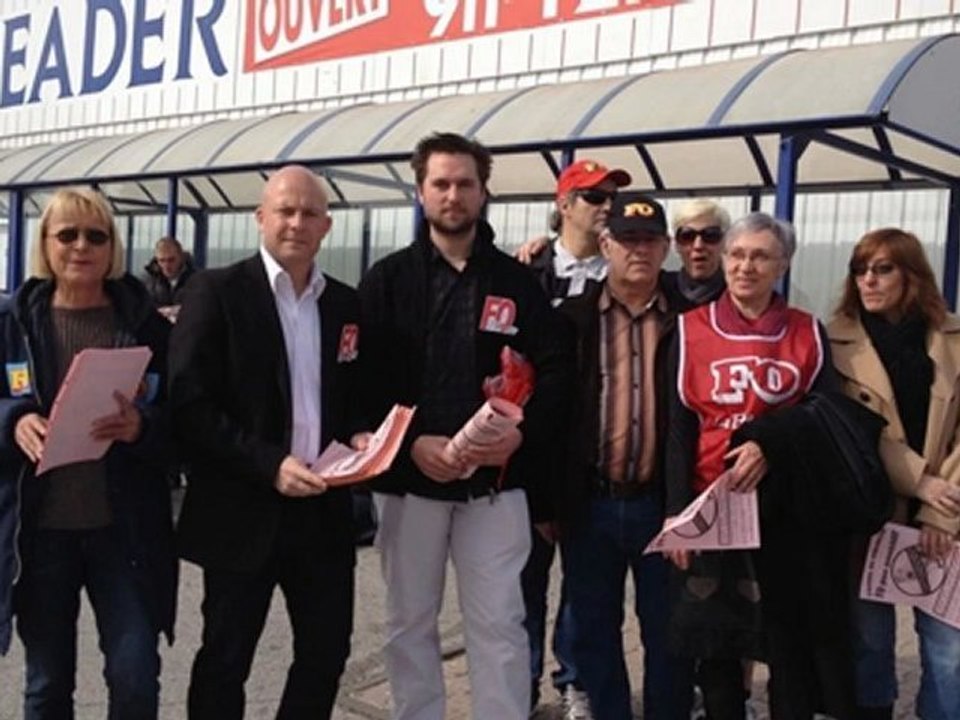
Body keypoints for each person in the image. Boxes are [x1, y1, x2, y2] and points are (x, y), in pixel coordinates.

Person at [358, 132, 574, 720]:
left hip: (494, 489)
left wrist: (522, 432)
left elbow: (558, 370)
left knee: (500, 624)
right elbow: (361, 384)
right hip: (411, 485)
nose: (453, 195)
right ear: (422, 190)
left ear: (483, 192)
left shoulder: (516, 282)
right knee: (409, 623)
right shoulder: (387, 280)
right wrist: (409, 444)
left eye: (465, 184)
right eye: (441, 183)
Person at [169, 165, 362, 719]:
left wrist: (362, 436)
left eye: (309, 213)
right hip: (242, 508)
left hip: (322, 511)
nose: (297, 222)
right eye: (285, 210)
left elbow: (355, 397)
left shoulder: (345, 305)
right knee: (227, 658)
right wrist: (269, 464)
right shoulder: (217, 291)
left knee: (326, 654)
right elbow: (190, 405)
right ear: (260, 218)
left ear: (326, 226)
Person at [666, 212, 853, 719]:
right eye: (737, 254)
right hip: (714, 505)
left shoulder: (806, 332)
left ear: (783, 265)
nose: (746, 266)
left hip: (784, 511)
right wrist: (676, 513)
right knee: (719, 643)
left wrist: (772, 444)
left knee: (785, 640)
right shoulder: (689, 329)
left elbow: (824, 416)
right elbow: (679, 429)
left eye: (761, 256)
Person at [0, 187, 177, 718]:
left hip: (122, 534)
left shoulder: (145, 325)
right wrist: (13, 419)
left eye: (96, 235)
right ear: (46, 243)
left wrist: (142, 426)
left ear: (113, 246)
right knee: (48, 685)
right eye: (68, 234)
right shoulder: (12, 323)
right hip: (40, 535)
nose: (82, 246)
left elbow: (185, 419)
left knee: (135, 677)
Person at [555, 192, 692, 720]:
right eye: (627, 239)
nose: (639, 250)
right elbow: (554, 417)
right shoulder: (572, 319)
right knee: (593, 630)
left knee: (669, 633)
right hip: (590, 505)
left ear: (665, 249)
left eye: (650, 240)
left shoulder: (691, 322)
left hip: (664, 505)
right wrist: (551, 503)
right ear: (605, 244)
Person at [828, 228, 960, 720]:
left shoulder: (953, 339)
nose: (868, 280)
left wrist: (938, 513)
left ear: (912, 274)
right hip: (869, 517)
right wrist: (918, 480)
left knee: (948, 652)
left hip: (945, 522)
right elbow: (846, 429)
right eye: (860, 269)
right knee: (868, 644)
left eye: (883, 268)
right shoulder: (833, 341)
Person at [522, 157, 630, 718]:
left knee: (585, 587)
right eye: (592, 196)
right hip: (534, 451)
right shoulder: (528, 273)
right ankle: (521, 682)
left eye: (610, 196)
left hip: (596, 455)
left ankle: (576, 683)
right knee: (523, 580)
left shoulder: (626, 272)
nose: (605, 206)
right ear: (563, 205)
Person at [661, 198, 729, 311]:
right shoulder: (658, 290)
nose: (698, 246)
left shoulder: (738, 295)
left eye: (710, 235)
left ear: (725, 242)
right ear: (676, 244)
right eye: (687, 236)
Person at [142, 236, 195, 321]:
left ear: (181, 257)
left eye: (171, 260)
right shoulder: (147, 281)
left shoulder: (195, 279)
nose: (166, 266)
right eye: (162, 260)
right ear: (156, 259)